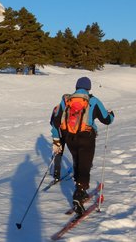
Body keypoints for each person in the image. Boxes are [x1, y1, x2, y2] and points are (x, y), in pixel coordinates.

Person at [50, 76, 114, 214]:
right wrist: (112, 114)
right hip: (87, 138)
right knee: (85, 165)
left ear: (76, 87)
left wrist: (56, 139)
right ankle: (79, 194)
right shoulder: (93, 101)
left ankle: (81, 188)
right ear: (88, 88)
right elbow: (107, 120)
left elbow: (56, 121)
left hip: (69, 137)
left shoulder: (66, 100)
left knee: (77, 161)